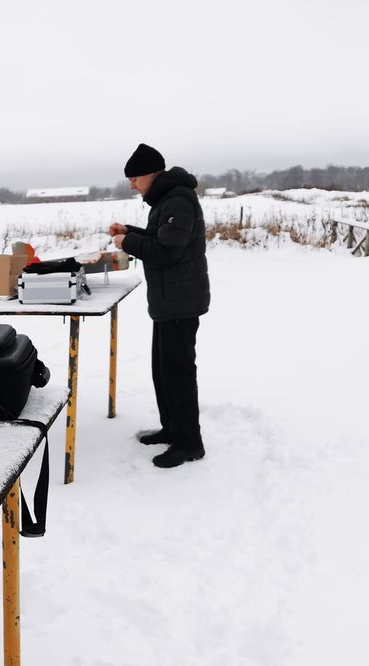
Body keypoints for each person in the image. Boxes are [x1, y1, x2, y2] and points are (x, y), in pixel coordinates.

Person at [109, 143, 210, 468]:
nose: (132, 184)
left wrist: (129, 242)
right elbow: (160, 236)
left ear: (153, 173)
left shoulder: (178, 199)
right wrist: (131, 232)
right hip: (170, 301)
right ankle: (172, 429)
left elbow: (168, 250)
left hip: (181, 302)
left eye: (135, 177)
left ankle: (188, 443)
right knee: (163, 371)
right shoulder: (167, 200)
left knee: (178, 373)